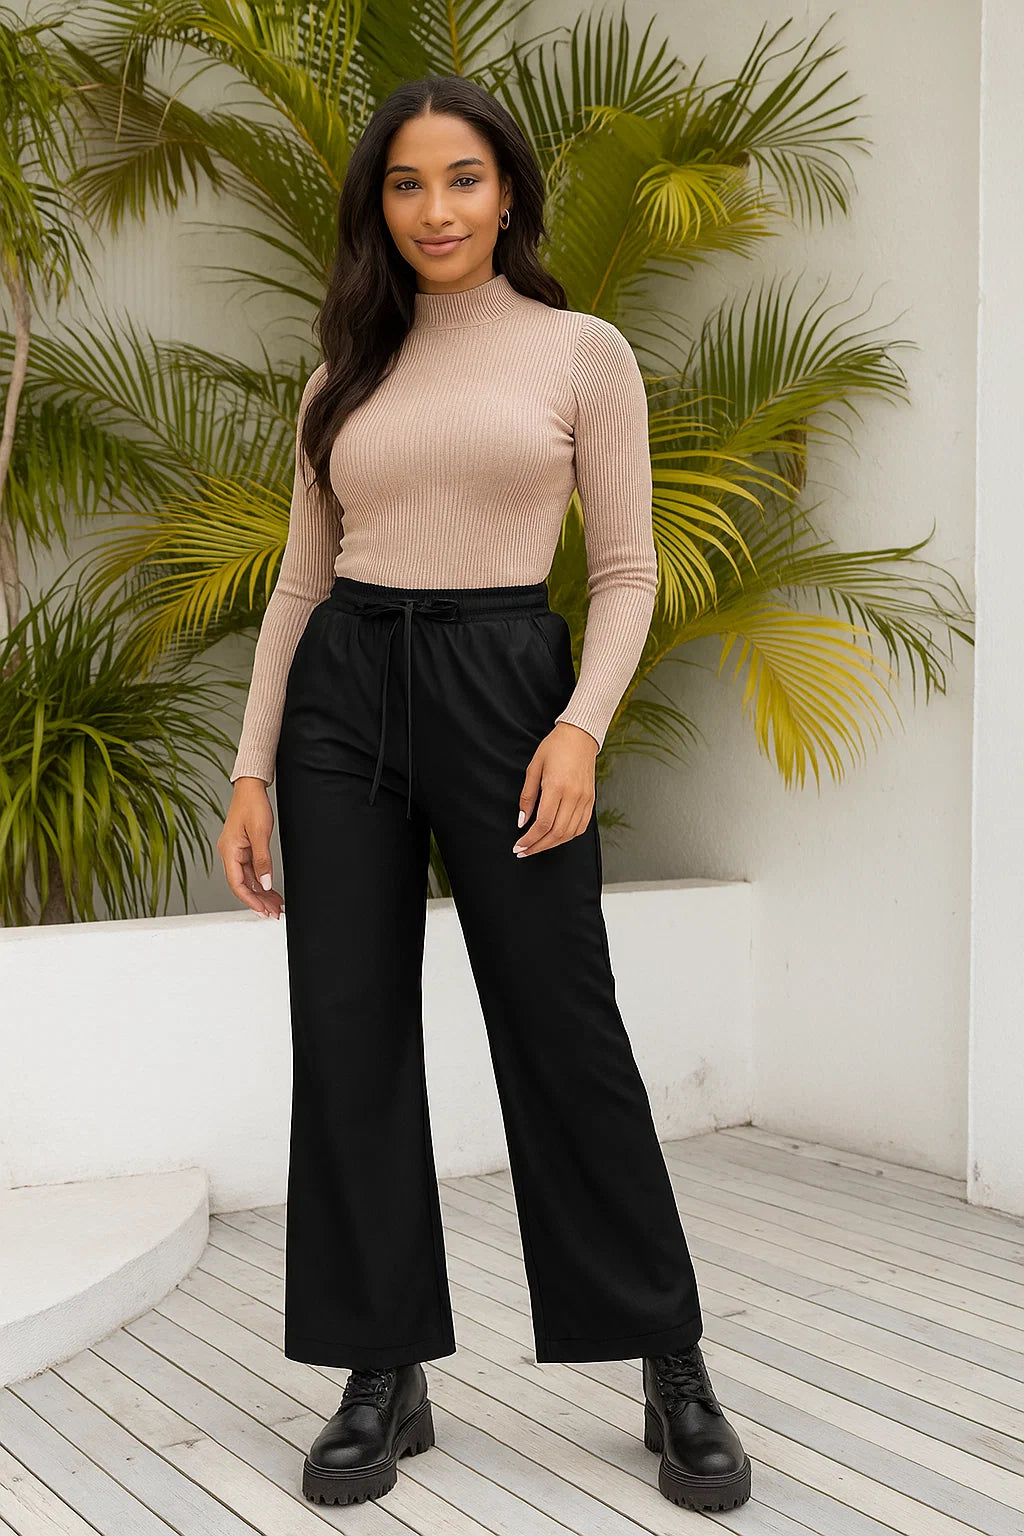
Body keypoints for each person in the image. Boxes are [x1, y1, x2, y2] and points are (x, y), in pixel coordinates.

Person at [217, 73, 751, 1516]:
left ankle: (671, 1359)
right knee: (346, 1034)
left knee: (562, 1023)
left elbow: (627, 570)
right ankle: (380, 1369)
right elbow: (300, 584)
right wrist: (253, 765)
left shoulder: (581, 352)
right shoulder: (343, 370)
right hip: (343, 697)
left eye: (462, 178)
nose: (436, 209)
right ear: (377, 204)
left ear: (508, 191)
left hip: (507, 687)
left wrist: (578, 727)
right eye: (406, 183)